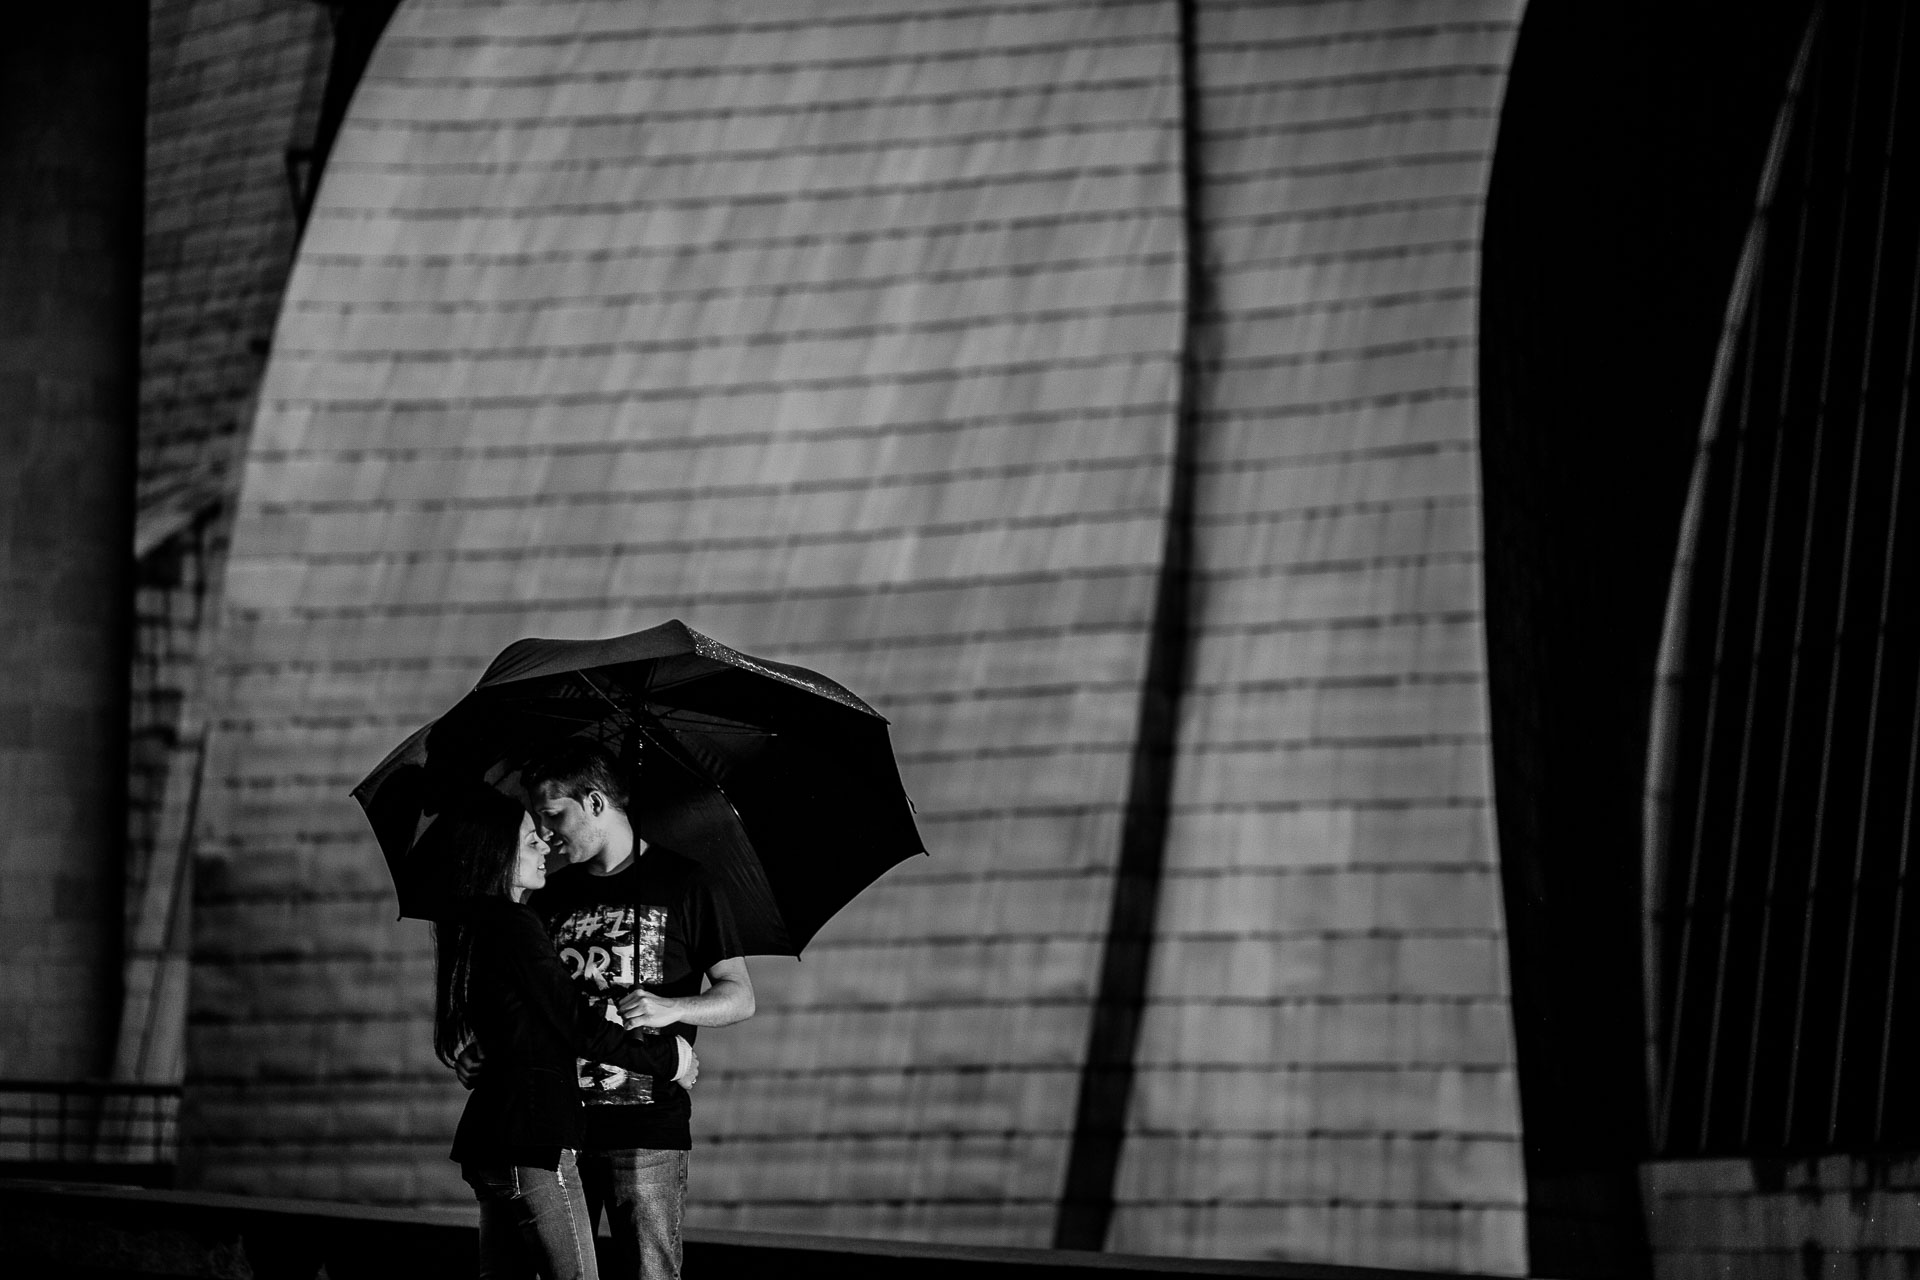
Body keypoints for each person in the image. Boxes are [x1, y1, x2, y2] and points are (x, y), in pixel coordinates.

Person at [433, 786, 696, 1280]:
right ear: (498, 853)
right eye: (533, 840)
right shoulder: (516, 922)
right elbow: (577, 1026)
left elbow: (518, 1022)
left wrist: (485, 1049)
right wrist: (672, 1060)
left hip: (492, 1138)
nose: (546, 847)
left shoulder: (480, 926)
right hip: (532, 1137)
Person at [526, 739, 754, 1280]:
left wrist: (671, 1006)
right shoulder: (546, 897)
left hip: (648, 1128)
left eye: (554, 814)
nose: (544, 832)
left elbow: (739, 995)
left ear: (597, 803)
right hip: (559, 1128)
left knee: (651, 1273)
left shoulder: (686, 883)